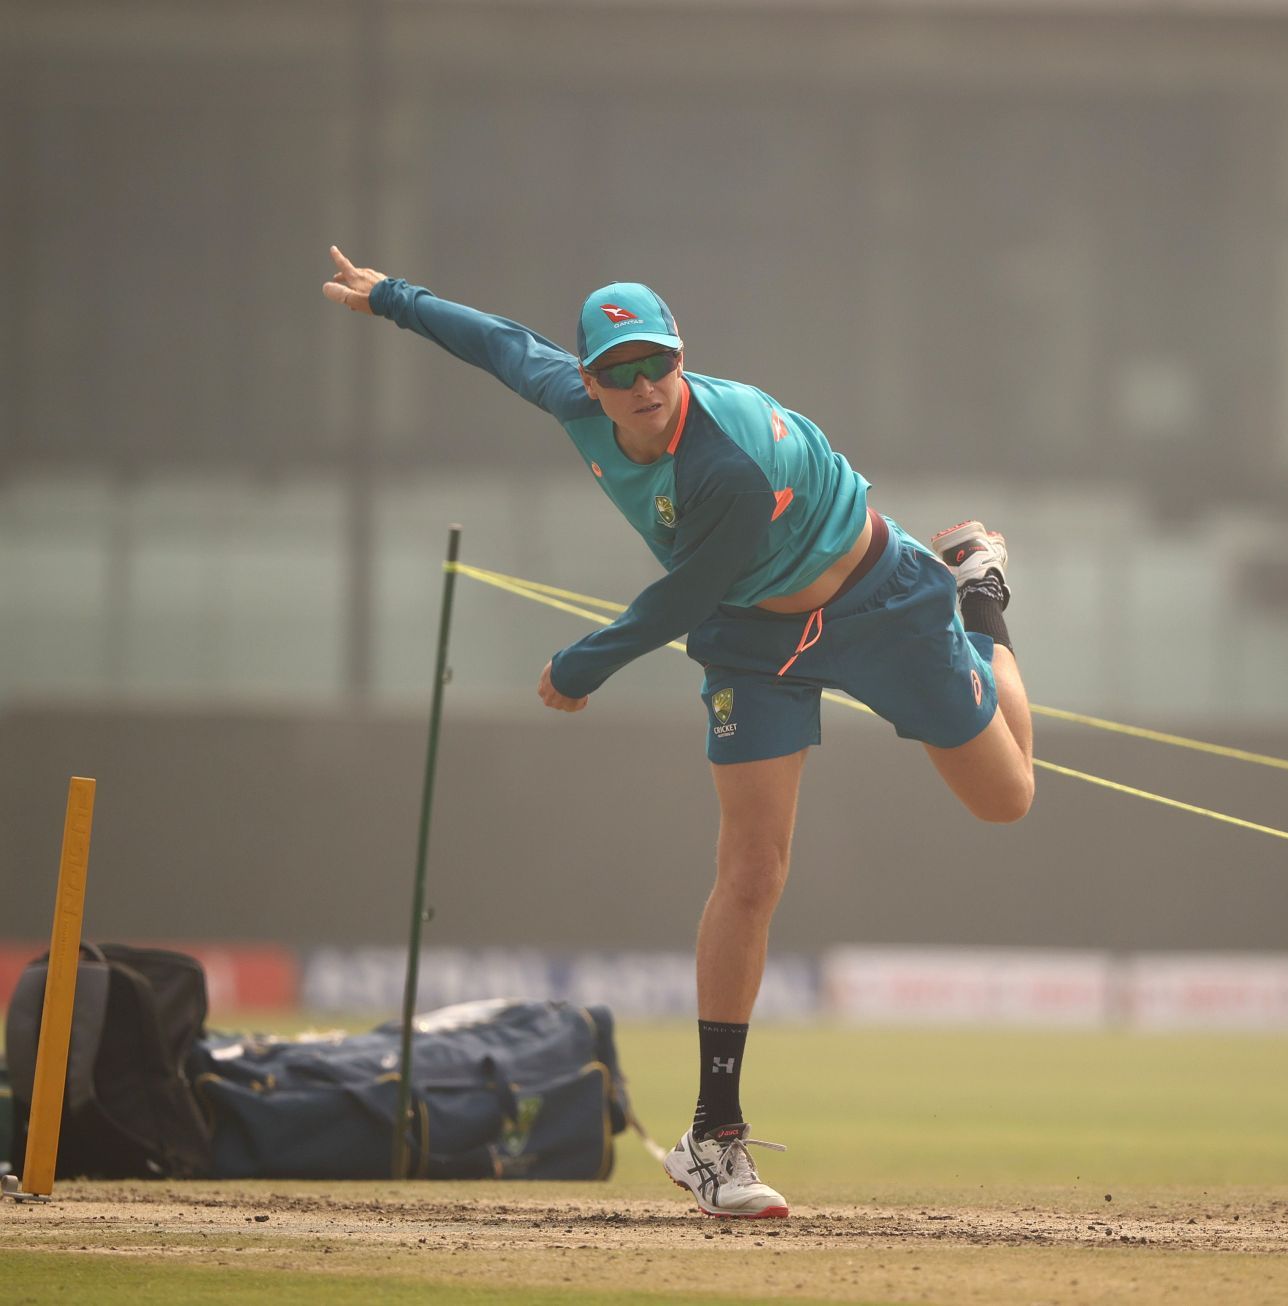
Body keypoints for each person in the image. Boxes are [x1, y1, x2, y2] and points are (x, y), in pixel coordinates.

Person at [322, 246, 1033, 1218]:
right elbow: (499, 346)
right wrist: (393, 298)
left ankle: (981, 592)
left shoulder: (724, 464)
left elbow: (684, 593)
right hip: (752, 640)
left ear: (681, 358)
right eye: (617, 371)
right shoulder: (576, 402)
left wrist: (580, 667)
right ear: (590, 383)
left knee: (1008, 798)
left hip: (878, 598)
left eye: (656, 363)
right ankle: (716, 1136)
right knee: (751, 869)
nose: (641, 385)